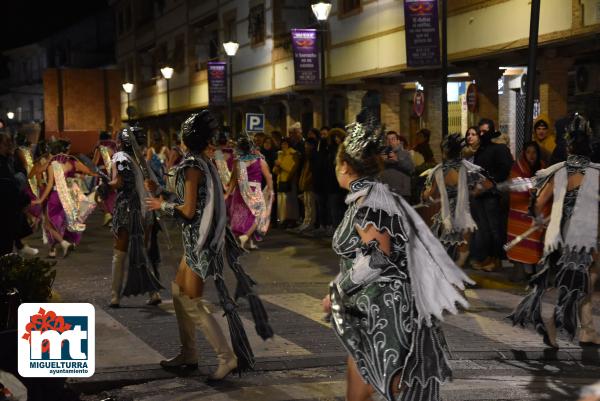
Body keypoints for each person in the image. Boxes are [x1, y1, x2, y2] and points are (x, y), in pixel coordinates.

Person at [323, 111, 473, 401]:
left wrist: (338, 287)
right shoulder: (366, 196)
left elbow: (377, 257)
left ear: (343, 166)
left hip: (385, 308)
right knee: (361, 385)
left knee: (397, 386)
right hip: (368, 307)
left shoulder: (371, 200)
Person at [146, 111, 273, 380]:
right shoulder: (202, 162)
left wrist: (162, 205)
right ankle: (188, 352)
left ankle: (226, 357)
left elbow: (188, 210)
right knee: (179, 291)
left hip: (200, 242)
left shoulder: (192, 166)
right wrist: (161, 191)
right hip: (199, 241)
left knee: (192, 301)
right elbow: (191, 200)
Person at [510, 115, 600, 348]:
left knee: (579, 281)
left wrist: (539, 219)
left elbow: (538, 205)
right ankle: (557, 326)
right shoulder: (596, 173)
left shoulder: (559, 172)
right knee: (581, 282)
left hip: (563, 235)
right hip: (587, 236)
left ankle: (586, 329)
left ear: (568, 146)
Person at [101, 128, 163, 308]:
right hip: (146, 211)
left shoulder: (119, 158)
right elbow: (155, 186)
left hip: (126, 209)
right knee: (142, 251)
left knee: (119, 254)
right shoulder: (143, 160)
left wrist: (106, 185)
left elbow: (119, 181)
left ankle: (115, 296)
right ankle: (154, 292)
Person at [422, 133, 487, 267]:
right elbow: (482, 186)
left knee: (447, 245)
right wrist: (471, 191)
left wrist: (424, 195)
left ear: (445, 152)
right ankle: (458, 270)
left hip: (446, 213)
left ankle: (450, 273)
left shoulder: (439, 170)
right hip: (463, 211)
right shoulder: (467, 168)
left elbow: (430, 193)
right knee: (463, 245)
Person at [32, 139, 97, 258]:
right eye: (69, 149)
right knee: (61, 223)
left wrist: (41, 199)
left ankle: (63, 244)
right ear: (65, 150)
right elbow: (90, 172)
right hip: (69, 198)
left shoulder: (52, 164)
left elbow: (44, 177)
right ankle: (55, 249)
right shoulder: (73, 162)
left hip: (55, 196)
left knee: (48, 224)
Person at [470, 119, 513, 271]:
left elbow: (506, 169)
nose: (482, 134)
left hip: (493, 195)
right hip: (481, 194)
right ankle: (489, 256)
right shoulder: (481, 149)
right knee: (485, 229)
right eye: (480, 131)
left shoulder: (499, 149)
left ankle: (497, 258)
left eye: (485, 131)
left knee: (496, 229)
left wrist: (491, 182)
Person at [506, 141, 547, 280]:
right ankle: (524, 272)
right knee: (521, 243)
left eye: (534, 152)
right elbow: (515, 189)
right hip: (519, 213)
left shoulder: (542, 167)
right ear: (524, 153)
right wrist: (531, 191)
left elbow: (547, 187)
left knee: (535, 244)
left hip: (536, 211)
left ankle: (536, 272)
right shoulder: (517, 168)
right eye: (528, 152)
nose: (531, 155)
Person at [226, 132, 274, 249]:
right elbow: (269, 177)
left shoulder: (238, 161)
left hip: (240, 190)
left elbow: (233, 178)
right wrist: (270, 191)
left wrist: (228, 193)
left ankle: (248, 242)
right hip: (254, 189)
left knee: (244, 215)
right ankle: (246, 236)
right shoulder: (259, 160)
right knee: (260, 215)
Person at [0, 133, 30, 256]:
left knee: (6, 246)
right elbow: (8, 186)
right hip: (4, 209)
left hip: (9, 210)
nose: (9, 145)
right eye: (5, 143)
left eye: (9, 142)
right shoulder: (2, 163)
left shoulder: (9, 160)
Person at [92, 131, 118, 226]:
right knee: (111, 194)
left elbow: (94, 163)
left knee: (100, 195)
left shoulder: (100, 148)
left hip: (102, 174)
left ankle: (108, 214)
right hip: (113, 173)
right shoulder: (114, 148)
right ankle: (111, 216)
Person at [379, 131, 414, 200]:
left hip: (401, 191)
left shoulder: (405, 153)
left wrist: (398, 160)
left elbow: (411, 169)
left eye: (393, 139)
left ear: (398, 141)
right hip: (387, 191)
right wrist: (380, 161)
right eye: (388, 139)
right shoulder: (382, 154)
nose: (390, 141)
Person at [273, 138, 299, 228]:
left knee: (289, 202)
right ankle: (282, 219)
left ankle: (291, 219)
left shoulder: (293, 154)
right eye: (282, 144)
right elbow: (275, 171)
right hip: (280, 180)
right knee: (282, 202)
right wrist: (276, 166)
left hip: (289, 181)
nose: (283, 146)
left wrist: (281, 165)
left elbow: (291, 169)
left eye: (285, 144)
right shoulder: (280, 154)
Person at [296, 138, 317, 232]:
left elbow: (311, 172)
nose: (306, 147)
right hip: (306, 184)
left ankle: (310, 222)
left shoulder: (313, 156)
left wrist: (306, 181)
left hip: (310, 184)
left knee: (310, 204)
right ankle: (306, 221)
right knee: (307, 204)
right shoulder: (307, 157)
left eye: (308, 145)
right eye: (305, 145)